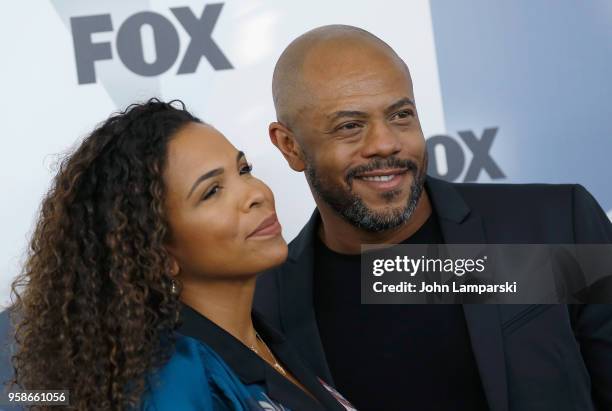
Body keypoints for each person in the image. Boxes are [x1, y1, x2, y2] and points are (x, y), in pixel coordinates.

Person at [254, 25, 612, 411]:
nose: (386, 143)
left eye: (401, 115)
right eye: (350, 126)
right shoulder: (263, 305)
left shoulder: (552, 225)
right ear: (290, 146)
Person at [9, 99, 354, 410]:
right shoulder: (176, 378)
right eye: (212, 191)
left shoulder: (267, 339)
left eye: (244, 170)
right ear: (158, 251)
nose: (255, 194)